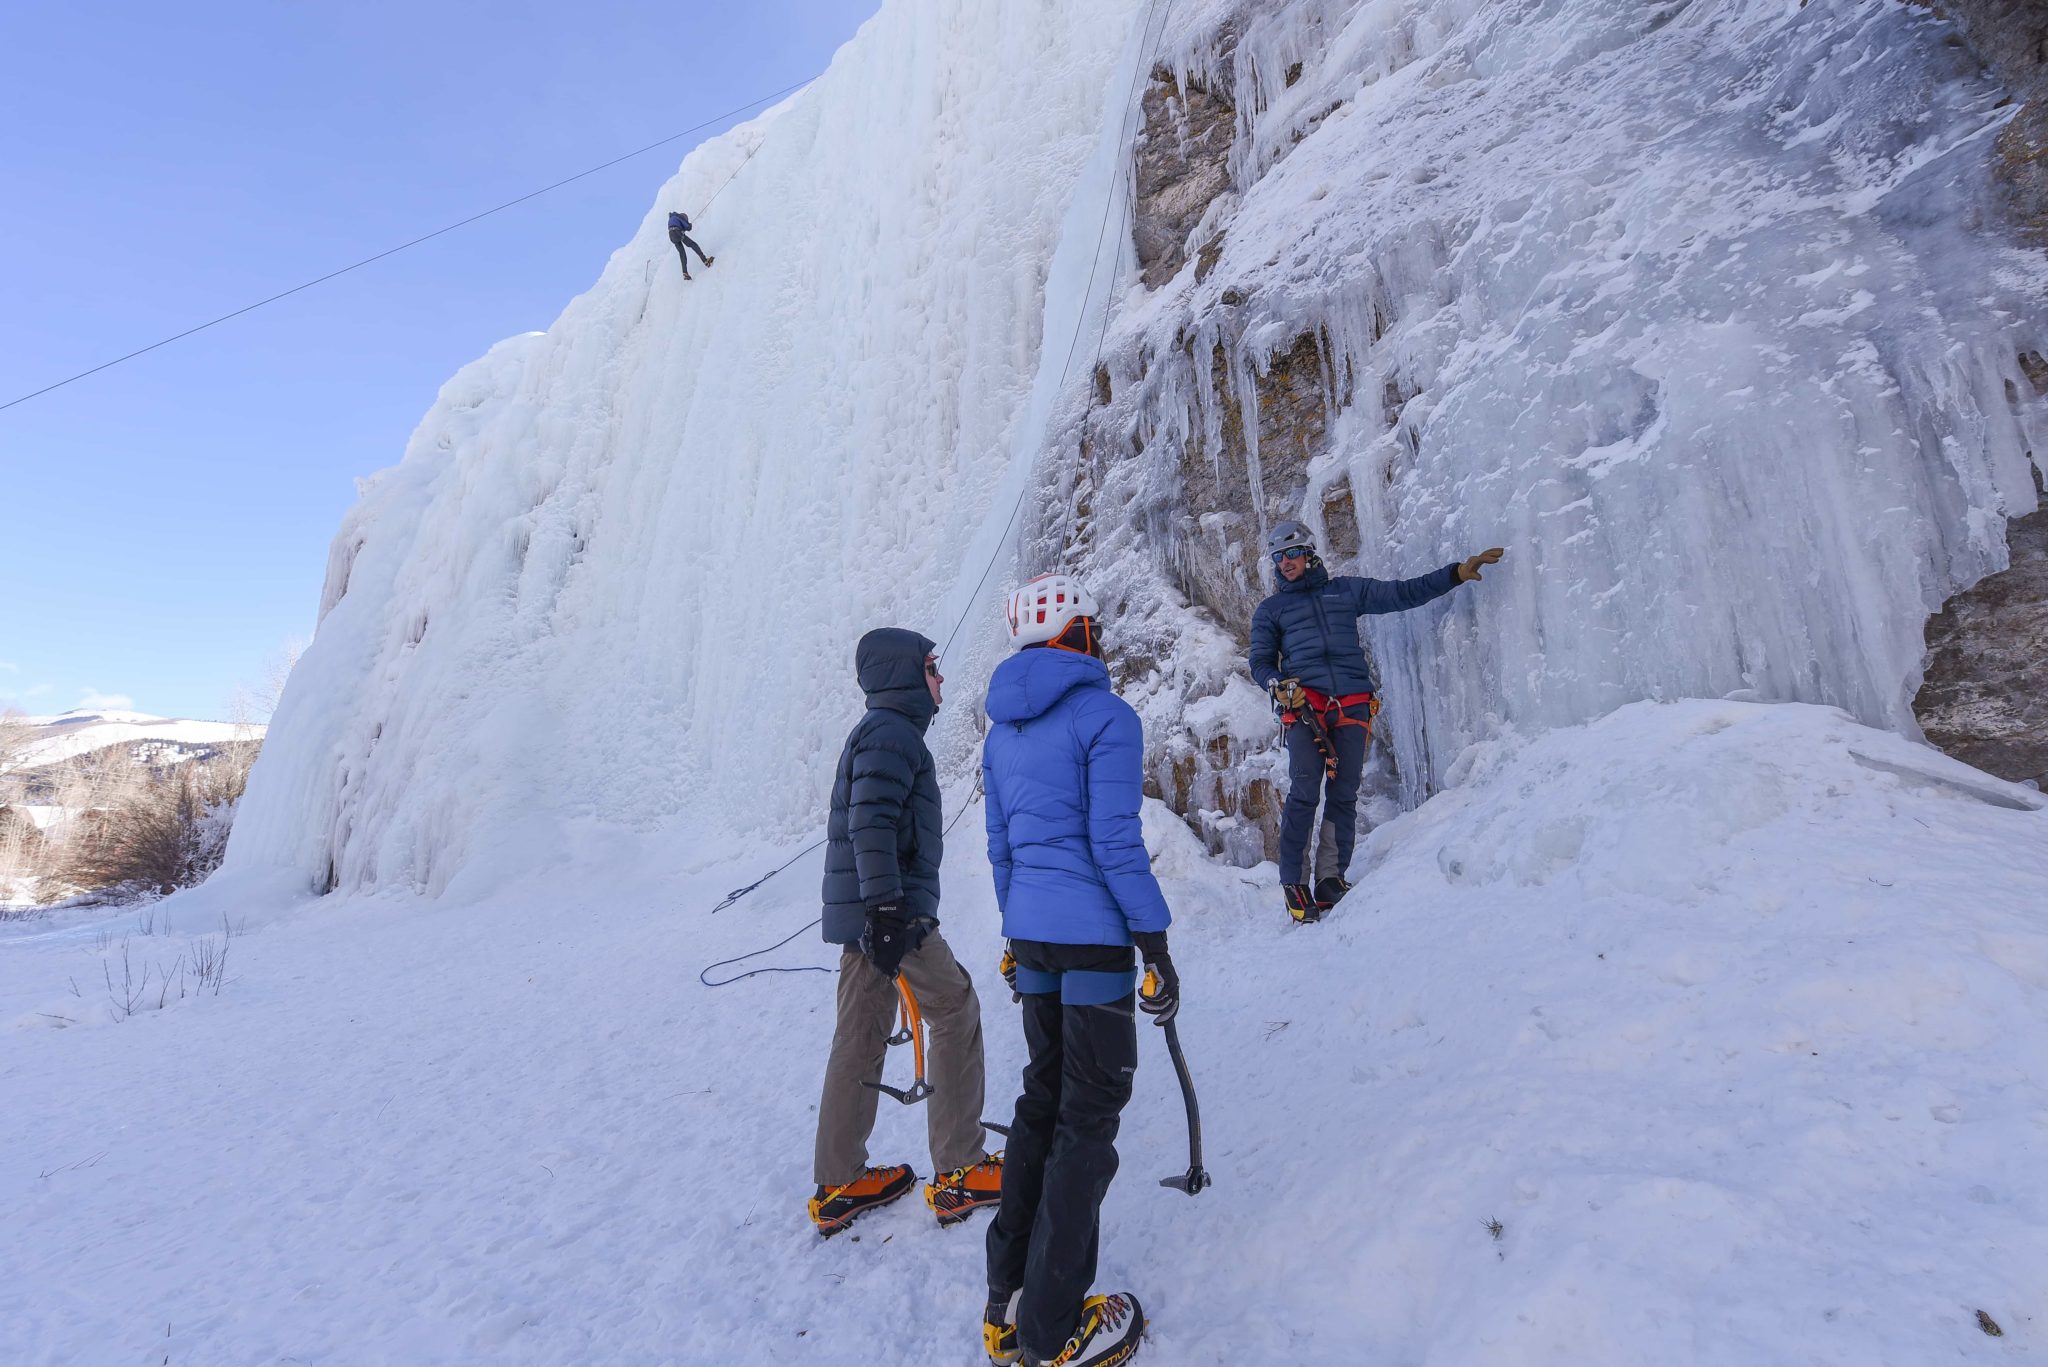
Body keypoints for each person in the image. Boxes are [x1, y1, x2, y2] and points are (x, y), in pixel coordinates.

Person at [977, 574, 1176, 1367]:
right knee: (1088, 1114)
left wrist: (1015, 933)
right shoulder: (1106, 715)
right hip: (1094, 941)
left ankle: (1007, 1303)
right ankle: (1053, 1330)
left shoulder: (1000, 732)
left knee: (1043, 1096)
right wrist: (1154, 942)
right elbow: (1114, 843)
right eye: (1091, 624)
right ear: (1077, 633)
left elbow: (1001, 850)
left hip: (1031, 937)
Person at [808, 628, 1002, 1237]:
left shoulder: (881, 733)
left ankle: (840, 1182)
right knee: (954, 1007)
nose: (940, 679)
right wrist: (890, 910)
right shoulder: (892, 735)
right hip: (891, 915)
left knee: (860, 1034)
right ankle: (961, 1169)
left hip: (870, 914)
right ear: (903, 675)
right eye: (931, 667)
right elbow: (871, 823)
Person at [1248, 520, 1505, 923]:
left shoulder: (1347, 590)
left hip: (1352, 702)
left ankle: (1330, 877)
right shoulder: (1271, 610)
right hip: (1304, 706)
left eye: (1291, 553)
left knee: (1344, 789)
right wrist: (1275, 683)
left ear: (1309, 553)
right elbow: (1260, 661)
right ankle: (1294, 883)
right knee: (1304, 788)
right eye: (1278, 557)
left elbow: (1402, 593)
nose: (1285, 563)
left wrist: (1455, 573)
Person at [667, 210, 714, 280]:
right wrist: (689, 225)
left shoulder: (672, 218)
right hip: (677, 232)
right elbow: (687, 226)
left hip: (672, 236)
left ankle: (685, 273)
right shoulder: (678, 216)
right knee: (693, 244)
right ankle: (705, 260)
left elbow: (679, 226)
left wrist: (683, 229)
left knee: (682, 254)